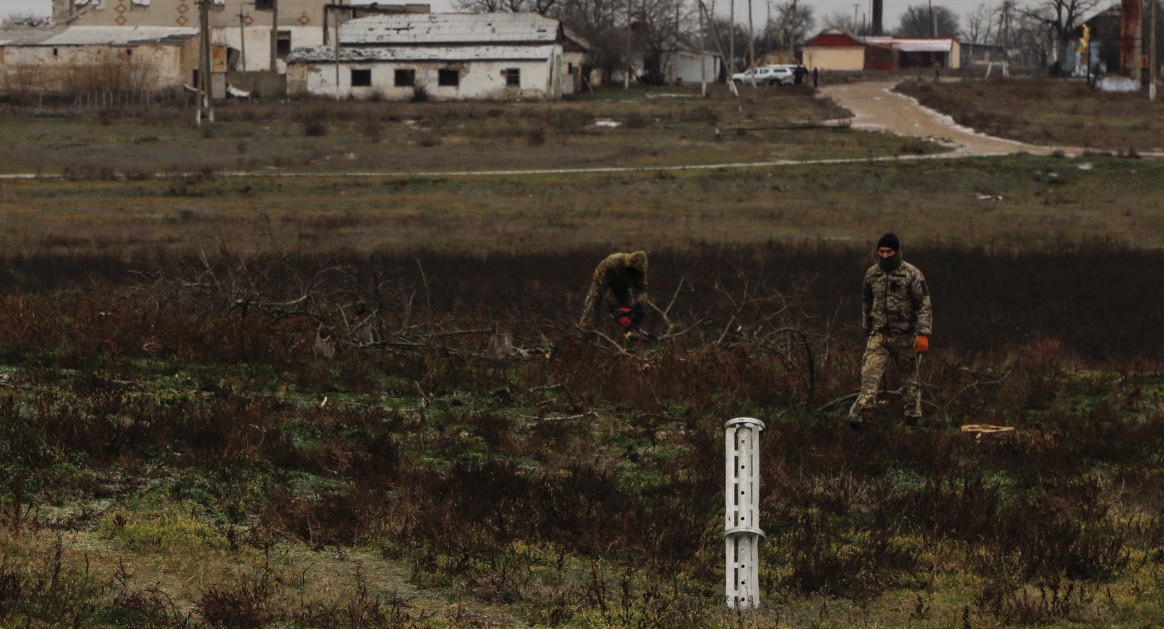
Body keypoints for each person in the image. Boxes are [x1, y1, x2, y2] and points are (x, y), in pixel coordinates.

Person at [849, 233, 931, 430]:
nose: (885, 256)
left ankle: (912, 421)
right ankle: (867, 418)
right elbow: (867, 303)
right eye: (882, 251)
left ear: (897, 251)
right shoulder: (872, 274)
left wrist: (923, 334)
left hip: (905, 336)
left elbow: (924, 304)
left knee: (910, 380)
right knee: (869, 375)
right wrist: (868, 330)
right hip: (879, 335)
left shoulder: (912, 274)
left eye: (889, 252)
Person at [579, 251, 648, 332]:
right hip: (602, 283)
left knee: (630, 311)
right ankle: (585, 332)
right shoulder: (614, 262)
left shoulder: (640, 272)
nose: (635, 272)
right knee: (592, 305)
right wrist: (612, 303)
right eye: (633, 269)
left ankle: (630, 335)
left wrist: (639, 303)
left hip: (622, 288)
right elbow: (602, 284)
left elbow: (641, 289)